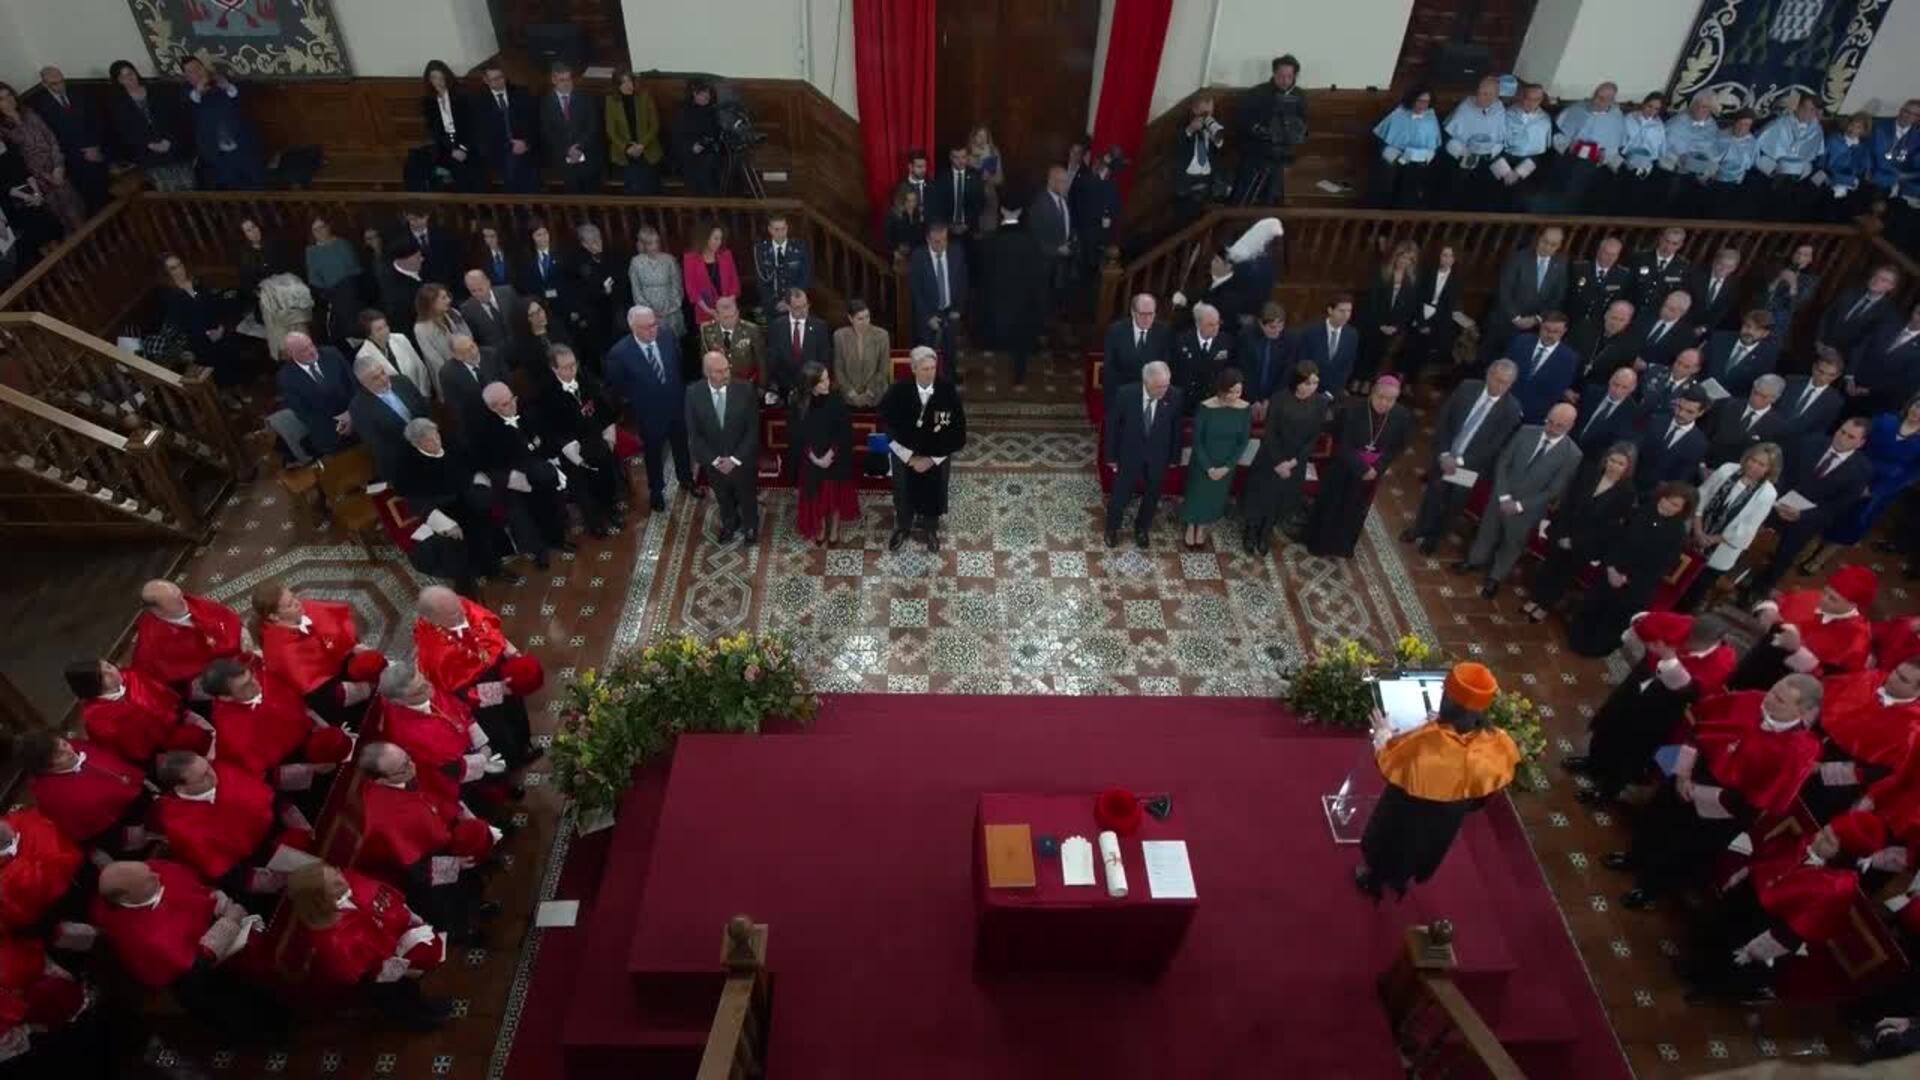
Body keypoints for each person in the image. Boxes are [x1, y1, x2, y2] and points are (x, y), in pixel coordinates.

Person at [1605, 673, 1824, 910]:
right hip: (1694, 772)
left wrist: (1698, 793)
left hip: (1728, 804)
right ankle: (1634, 857)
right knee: (1657, 817)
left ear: (1801, 712)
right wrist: (1684, 774)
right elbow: (1698, 729)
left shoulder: (1801, 750)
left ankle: (1650, 890)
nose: (1768, 700)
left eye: (1780, 700)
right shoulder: (1749, 700)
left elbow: (1758, 798)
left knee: (1685, 850)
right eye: (1772, 690)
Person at [1354, 662, 1518, 901]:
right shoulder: (1497, 744)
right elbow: (1481, 798)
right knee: (1418, 854)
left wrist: (1383, 735)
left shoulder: (1427, 744)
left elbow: (1390, 762)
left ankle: (1374, 882)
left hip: (1403, 814)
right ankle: (1400, 882)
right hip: (1443, 824)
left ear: (1446, 700)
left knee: (1387, 848)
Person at [90, 859, 286, 1036]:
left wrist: (215, 896)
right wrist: (229, 922)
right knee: (240, 1008)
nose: (157, 874)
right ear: (126, 898)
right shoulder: (144, 937)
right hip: (200, 976)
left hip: (216, 930)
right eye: (149, 879)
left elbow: (190, 881)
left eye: (150, 870)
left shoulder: (149, 873)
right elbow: (196, 965)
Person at [1565, 610, 1731, 800]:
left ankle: (1607, 790)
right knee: (1608, 723)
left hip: (1662, 705)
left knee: (1632, 749)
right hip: (1640, 681)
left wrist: (1669, 658)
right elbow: (1647, 620)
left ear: (1714, 641)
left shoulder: (1723, 661)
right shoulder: (1687, 623)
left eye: (1693, 641)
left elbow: (1690, 691)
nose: (1686, 643)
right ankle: (1592, 763)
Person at [351, 742, 498, 943]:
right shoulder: (382, 818)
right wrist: (453, 865)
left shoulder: (409, 767)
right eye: (403, 768)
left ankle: (477, 907)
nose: (412, 766)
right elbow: (413, 867)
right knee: (449, 904)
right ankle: (465, 932)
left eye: (407, 758)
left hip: (445, 842)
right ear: (382, 780)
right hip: (427, 867)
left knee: (468, 886)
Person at [284, 861, 453, 1030]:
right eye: (335, 884)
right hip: (377, 975)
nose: (342, 879)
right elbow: (361, 971)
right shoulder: (331, 939)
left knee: (410, 988)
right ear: (321, 900)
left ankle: (423, 1005)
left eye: (336, 872)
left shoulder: (349, 883)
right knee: (398, 998)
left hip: (392, 952)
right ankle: (418, 1021)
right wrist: (401, 968)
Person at [149, 750, 305, 905]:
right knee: (311, 878)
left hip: (275, 828)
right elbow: (227, 873)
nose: (213, 775)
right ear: (180, 788)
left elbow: (270, 796)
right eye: (203, 777)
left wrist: (298, 824)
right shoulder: (178, 824)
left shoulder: (220, 769)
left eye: (208, 767)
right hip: (253, 862)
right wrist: (285, 881)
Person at [1458, 403, 1582, 598]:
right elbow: (1504, 461)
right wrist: (1504, 495)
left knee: (1512, 543)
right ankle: (1474, 560)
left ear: (1570, 427)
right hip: (1501, 495)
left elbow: (1553, 490)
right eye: (1549, 421)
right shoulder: (1526, 431)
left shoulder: (1572, 454)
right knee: (1487, 530)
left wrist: (1518, 505)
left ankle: (1495, 577)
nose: (1551, 428)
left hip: (1527, 510)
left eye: (1559, 426)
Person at [1562, 481, 1698, 658]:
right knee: (1592, 604)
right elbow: (1616, 540)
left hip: (1637, 584)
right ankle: (1576, 638)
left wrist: (1626, 578)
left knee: (1613, 618)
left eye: (1674, 504)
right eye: (1666, 499)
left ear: (1683, 510)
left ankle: (1594, 649)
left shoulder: (1678, 534)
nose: (1666, 505)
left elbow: (1661, 567)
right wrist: (1611, 568)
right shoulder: (1641, 511)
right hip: (1612, 569)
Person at [1742, 421, 1872, 603]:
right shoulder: (1811, 441)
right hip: (1777, 504)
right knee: (1748, 537)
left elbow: (1838, 506)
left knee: (1782, 558)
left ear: (1860, 443)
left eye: (1851, 437)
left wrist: (1802, 515)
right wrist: (1779, 498)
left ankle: (1756, 591)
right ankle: (1734, 571)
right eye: (1842, 431)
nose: (1842, 438)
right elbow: (1783, 471)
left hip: (1806, 521)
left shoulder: (1862, 470)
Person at [1404, 359, 1523, 556]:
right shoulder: (1467, 387)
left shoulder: (1511, 409)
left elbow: (1494, 446)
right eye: (1497, 379)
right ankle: (1419, 529)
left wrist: (1458, 462)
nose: (1499, 386)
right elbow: (1445, 419)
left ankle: (1434, 539)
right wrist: (1443, 454)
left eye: (1505, 383)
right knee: (1433, 494)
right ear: (1488, 374)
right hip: (1444, 456)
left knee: (1453, 503)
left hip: (1468, 467)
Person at [413, 587, 541, 770]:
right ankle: (511, 763)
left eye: (459, 606)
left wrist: (509, 651)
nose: (462, 614)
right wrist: (498, 690)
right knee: (499, 730)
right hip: (480, 692)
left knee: (516, 710)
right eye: (453, 614)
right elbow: (458, 695)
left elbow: (489, 629)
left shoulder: (460, 606)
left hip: (499, 669)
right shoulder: (434, 654)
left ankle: (524, 744)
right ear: (432, 619)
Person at [388, 418, 511, 595]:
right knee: (455, 547)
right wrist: (445, 523)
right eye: (429, 440)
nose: (436, 441)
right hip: (444, 510)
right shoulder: (407, 464)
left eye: (436, 435)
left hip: (469, 498)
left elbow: (472, 465)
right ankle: (466, 587)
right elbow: (416, 502)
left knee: (486, 527)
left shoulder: (451, 443)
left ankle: (494, 569)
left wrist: (478, 482)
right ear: (416, 443)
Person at [1520, 442, 1637, 623]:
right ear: (1606, 460)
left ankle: (1544, 606)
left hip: (1585, 544)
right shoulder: (1589, 473)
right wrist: (1564, 534)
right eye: (1612, 460)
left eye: (1620, 464)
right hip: (1562, 531)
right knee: (1548, 567)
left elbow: (1608, 529)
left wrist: (1575, 542)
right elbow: (1568, 504)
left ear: (1628, 468)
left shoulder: (1627, 493)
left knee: (1564, 575)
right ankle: (1535, 598)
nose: (1614, 466)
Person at [374, 660, 506, 816]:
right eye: (419, 691)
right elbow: (450, 768)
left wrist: (482, 743)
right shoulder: (408, 733)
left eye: (423, 681)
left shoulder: (425, 688)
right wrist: (482, 760)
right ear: (399, 702)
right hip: (451, 774)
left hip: (467, 746)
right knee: (479, 798)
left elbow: (459, 708)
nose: (429, 689)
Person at [198, 658, 352, 788]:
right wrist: (312, 771)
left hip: (308, 733)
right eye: (245, 686)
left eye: (251, 677)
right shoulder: (234, 733)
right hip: (292, 764)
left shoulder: (260, 678)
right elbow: (266, 774)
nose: (256, 685)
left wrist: (325, 729)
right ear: (225, 698)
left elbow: (300, 707)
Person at [253, 580, 381, 730]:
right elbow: (323, 693)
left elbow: (336, 630)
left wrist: (353, 648)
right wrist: (370, 688)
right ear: (274, 617)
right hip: (331, 695)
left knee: (372, 663)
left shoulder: (304, 609)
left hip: (338, 665)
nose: (298, 603)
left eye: (294, 597)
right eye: (289, 604)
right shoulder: (285, 654)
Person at [1307, 377, 1412, 558]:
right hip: (1343, 468)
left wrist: (1376, 469)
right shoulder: (1352, 410)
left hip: (1370, 475)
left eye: (1390, 400)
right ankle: (1319, 545)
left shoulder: (1401, 416)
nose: (1384, 403)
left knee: (1353, 511)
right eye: (1381, 397)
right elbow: (1342, 443)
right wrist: (1363, 468)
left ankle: (1342, 547)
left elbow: (1396, 448)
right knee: (1332, 506)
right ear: (1372, 393)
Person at [1804, 658, 1920, 820]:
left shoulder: (1913, 726)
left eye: (1903, 680)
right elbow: (1825, 696)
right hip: (1811, 743)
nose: (1893, 678)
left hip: (1844, 778)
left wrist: (1823, 769)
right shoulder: (1868, 679)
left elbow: (1882, 773)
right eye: (1896, 671)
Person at [1733, 566, 1879, 694]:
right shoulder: (1815, 596)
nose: (1822, 599)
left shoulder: (1856, 640)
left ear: (1853, 604)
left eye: (1832, 599)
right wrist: (1768, 609)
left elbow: (1830, 684)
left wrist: (1797, 651)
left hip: (1786, 687)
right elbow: (1780, 601)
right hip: (1757, 658)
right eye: (1825, 592)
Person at [471, 382, 573, 563]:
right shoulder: (483, 430)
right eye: (505, 404)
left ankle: (557, 538)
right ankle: (538, 550)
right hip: (511, 477)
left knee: (551, 489)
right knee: (521, 511)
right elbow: (486, 464)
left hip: (537, 467)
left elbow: (542, 437)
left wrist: (550, 458)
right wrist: (512, 476)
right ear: (492, 408)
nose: (512, 406)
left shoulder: (524, 411)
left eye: (512, 400)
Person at [606, 305, 694, 513]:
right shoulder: (619, 354)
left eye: (654, 324)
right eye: (646, 327)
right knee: (654, 454)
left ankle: (687, 479)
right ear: (632, 327)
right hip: (649, 414)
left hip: (676, 404)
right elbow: (617, 386)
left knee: (682, 445)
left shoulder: (667, 336)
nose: (652, 330)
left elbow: (677, 363)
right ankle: (657, 491)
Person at [879, 347, 967, 552]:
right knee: (903, 492)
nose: (930, 373)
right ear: (913, 368)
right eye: (925, 369)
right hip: (905, 457)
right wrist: (908, 458)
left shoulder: (947, 390)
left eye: (933, 368)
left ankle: (930, 528)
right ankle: (903, 526)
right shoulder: (898, 390)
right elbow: (887, 425)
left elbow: (957, 430)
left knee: (933, 492)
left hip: (935, 458)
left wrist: (932, 459)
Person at [1678, 441, 1781, 611]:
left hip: (1718, 551)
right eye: (1753, 460)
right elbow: (1702, 494)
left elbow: (1748, 527)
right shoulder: (1727, 469)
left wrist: (1711, 539)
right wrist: (1697, 529)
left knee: (1692, 594)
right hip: (1691, 534)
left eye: (1761, 464)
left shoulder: (1768, 493)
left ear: (1769, 470)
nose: (1754, 466)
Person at [533, 344, 624, 535]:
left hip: (593, 437)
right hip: (568, 444)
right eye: (566, 367)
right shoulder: (545, 392)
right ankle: (594, 522)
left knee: (605, 473)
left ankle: (610, 509)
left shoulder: (584, 377)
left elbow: (601, 405)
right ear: (554, 368)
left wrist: (605, 430)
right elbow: (547, 427)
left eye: (573, 364)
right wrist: (568, 445)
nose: (572, 370)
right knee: (582, 486)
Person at [1241, 362, 1327, 555]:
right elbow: (1270, 432)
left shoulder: (1320, 402)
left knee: (1279, 498)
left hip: (1295, 461)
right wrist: (1280, 461)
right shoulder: (1279, 399)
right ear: (1298, 383)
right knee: (1260, 496)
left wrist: (1294, 461)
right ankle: (1252, 530)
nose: (1313, 387)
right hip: (1271, 457)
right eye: (1309, 383)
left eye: (1315, 383)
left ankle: (1266, 532)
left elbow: (1313, 437)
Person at [1819, 394, 1920, 557]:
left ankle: (1821, 558)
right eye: (1916, 406)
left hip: (1880, 489)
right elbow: (1860, 443)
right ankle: (1812, 545)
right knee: (1831, 511)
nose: (1917, 411)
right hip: (1855, 472)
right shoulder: (1885, 420)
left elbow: (1909, 476)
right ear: (1910, 405)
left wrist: (1875, 490)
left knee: (1851, 524)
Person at [16, 731, 148, 852]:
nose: (68, 750)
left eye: (64, 743)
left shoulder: (79, 747)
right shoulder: (53, 795)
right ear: (45, 769)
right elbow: (90, 828)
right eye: (59, 754)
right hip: (114, 827)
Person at [66, 655, 208, 765]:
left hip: (179, 724)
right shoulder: (96, 719)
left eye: (108, 666)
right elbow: (129, 749)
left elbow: (165, 695)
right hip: (161, 754)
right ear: (92, 686)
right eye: (104, 675)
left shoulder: (132, 676)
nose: (112, 671)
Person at [1102, 360, 1183, 550]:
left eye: (1166, 385)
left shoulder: (1175, 395)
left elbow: (1175, 429)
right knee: (1119, 496)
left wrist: (1174, 458)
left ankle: (1141, 529)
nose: (1164, 391)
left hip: (1157, 457)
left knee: (1152, 496)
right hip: (1129, 455)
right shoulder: (1126, 394)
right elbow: (1113, 427)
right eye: (1159, 387)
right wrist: (1111, 456)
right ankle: (1112, 529)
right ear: (1146, 382)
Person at [685, 350, 761, 545]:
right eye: (720, 371)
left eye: (727, 369)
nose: (726, 374)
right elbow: (695, 435)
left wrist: (735, 459)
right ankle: (730, 523)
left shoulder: (745, 390)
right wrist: (716, 460)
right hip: (714, 462)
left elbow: (753, 430)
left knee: (747, 494)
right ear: (707, 373)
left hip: (742, 460)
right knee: (722, 496)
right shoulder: (693, 394)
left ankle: (751, 525)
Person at [128, 580, 250, 696]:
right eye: (176, 601)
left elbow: (227, 618)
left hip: (235, 656)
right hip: (206, 679)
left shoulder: (192, 602)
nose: (184, 601)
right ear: (157, 610)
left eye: (180, 595)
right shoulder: (152, 641)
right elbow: (151, 678)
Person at [1180, 367, 1253, 549]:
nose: (1235, 396)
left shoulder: (1245, 409)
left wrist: (1227, 466)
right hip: (1203, 462)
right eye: (1231, 392)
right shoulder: (1206, 407)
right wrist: (1209, 468)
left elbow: (1243, 441)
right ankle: (1191, 525)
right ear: (1222, 389)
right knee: (1197, 495)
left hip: (1226, 464)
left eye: (1238, 391)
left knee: (1214, 497)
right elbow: (1197, 440)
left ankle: (1202, 526)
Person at [158, 252, 256, 386]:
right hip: (198, 338)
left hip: (216, 327)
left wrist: (220, 327)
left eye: (179, 265)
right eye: (173, 268)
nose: (179, 269)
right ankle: (226, 394)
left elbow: (214, 306)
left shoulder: (196, 282)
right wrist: (207, 335)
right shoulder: (170, 296)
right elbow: (181, 324)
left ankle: (240, 387)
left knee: (232, 345)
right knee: (213, 354)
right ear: (167, 272)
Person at [980, 205, 1048, 387]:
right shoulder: (1032, 242)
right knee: (1021, 341)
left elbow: (985, 275)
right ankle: (1019, 374)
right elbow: (1039, 275)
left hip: (1000, 299)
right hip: (1024, 300)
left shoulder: (993, 241)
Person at [792, 362, 856, 546]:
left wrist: (830, 454)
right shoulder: (798, 402)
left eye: (827, 378)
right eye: (821, 381)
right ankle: (819, 527)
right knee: (817, 495)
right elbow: (797, 434)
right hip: (811, 457)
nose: (827, 383)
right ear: (810, 384)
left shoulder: (836, 398)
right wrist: (813, 457)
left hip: (835, 455)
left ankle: (834, 527)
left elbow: (844, 431)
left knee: (834, 495)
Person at [0, 83, 76, 236]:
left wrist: (58, 167)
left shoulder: (28, 112)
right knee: (60, 225)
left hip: (57, 170)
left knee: (75, 212)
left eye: (9, 95)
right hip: (36, 182)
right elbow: (16, 162)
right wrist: (43, 178)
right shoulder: (2, 130)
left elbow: (51, 138)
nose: (8, 101)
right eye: (2, 99)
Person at [106, 60, 193, 191]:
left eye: (130, 73)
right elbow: (126, 132)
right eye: (123, 77)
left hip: (173, 148)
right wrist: (149, 144)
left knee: (189, 188)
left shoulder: (158, 91)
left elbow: (175, 119)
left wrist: (168, 140)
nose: (129, 78)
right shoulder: (118, 104)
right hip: (149, 156)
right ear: (118, 81)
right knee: (167, 193)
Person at [1483, 227, 1567, 362]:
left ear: (1559, 246)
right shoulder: (1518, 258)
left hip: (1533, 328)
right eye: (1545, 242)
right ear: (1539, 239)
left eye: (1553, 245)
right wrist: (1516, 318)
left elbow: (1557, 298)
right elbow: (1504, 291)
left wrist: (1537, 319)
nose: (1547, 247)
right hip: (1505, 323)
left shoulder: (1561, 264)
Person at [180, 58, 263, 191]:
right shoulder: (186, 92)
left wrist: (228, 87)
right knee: (229, 186)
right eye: (191, 71)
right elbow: (191, 102)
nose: (197, 72)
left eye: (198, 68)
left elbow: (239, 98)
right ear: (187, 77)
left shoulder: (220, 80)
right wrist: (199, 91)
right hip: (216, 153)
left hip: (241, 145)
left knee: (256, 182)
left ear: (204, 67)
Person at [1235, 54, 1307, 205]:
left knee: (1273, 199)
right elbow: (1243, 121)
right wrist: (1259, 130)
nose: (1285, 81)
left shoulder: (1300, 96)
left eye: (1289, 76)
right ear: (1274, 73)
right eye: (1281, 76)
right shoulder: (1257, 93)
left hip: (1283, 157)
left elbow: (1304, 122)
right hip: (1257, 155)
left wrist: (1298, 132)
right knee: (1245, 198)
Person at [347, 355, 432, 482]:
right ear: (364, 384)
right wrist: (416, 445)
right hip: (401, 463)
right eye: (376, 378)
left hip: (428, 445)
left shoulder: (402, 381)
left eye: (382, 373)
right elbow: (379, 444)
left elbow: (424, 410)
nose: (383, 379)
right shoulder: (358, 408)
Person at [0, 807, 83, 934]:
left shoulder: (10, 881)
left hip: (60, 904)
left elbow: (17, 917)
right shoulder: (26, 817)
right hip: (74, 876)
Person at [276, 330, 357, 459]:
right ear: (291, 354)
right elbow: (305, 413)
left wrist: (351, 415)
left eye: (311, 345)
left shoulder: (332, 354)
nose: (312, 351)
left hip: (355, 415)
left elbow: (354, 386)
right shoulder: (286, 378)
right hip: (327, 429)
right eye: (303, 350)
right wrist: (339, 424)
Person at [1355, 242, 1420, 394]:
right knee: (1366, 351)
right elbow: (1372, 301)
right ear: (1396, 257)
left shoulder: (1412, 280)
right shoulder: (1382, 273)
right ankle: (1357, 380)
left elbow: (1409, 308)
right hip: (1374, 323)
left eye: (1409, 259)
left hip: (1394, 327)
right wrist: (1380, 324)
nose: (1405, 262)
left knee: (1380, 354)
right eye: (1402, 257)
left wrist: (1395, 326)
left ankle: (1369, 382)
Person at [1547, 82, 1624, 211]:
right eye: (1596, 95)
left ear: (1611, 101)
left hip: (1593, 162)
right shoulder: (1578, 107)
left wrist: (1604, 155)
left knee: (1581, 185)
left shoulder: (1616, 117)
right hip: (1568, 154)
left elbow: (1614, 145)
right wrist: (1567, 145)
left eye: (1602, 99)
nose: (1596, 101)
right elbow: (1559, 132)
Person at [1754, 94, 1825, 220]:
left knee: (1816, 189)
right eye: (1804, 108)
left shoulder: (1816, 130)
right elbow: (1757, 148)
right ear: (1797, 107)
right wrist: (1772, 169)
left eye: (1812, 110)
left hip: (1802, 173)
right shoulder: (1779, 123)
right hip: (1776, 171)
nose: (1807, 113)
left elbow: (1817, 155)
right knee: (1779, 194)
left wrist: (1808, 168)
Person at [1502, 310, 1577, 424]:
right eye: (1546, 329)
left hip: (1532, 417)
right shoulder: (1521, 341)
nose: (1550, 335)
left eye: (1556, 331)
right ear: (1540, 326)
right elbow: (1503, 371)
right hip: (1503, 405)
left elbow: (1554, 394)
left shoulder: (1568, 358)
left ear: (1564, 331)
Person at [1370, 87, 1441, 208]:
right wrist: (1398, 156)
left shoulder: (1430, 118)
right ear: (1412, 100)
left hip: (1418, 162)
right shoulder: (1399, 114)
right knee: (1388, 183)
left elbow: (1432, 145)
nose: (1423, 105)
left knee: (1413, 188)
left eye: (1426, 102)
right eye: (1419, 101)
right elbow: (1383, 142)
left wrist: (1423, 156)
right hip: (1396, 160)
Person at [909, 224, 969, 367]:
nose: (942, 245)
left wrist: (958, 309)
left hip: (950, 311)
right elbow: (916, 291)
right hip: (929, 313)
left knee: (950, 352)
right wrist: (928, 317)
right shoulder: (918, 256)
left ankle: (949, 381)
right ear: (928, 240)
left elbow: (963, 282)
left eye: (944, 240)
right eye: (937, 241)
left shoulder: (956, 251)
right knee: (926, 355)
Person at [1632, 387, 1711, 494]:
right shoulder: (1655, 421)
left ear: (1701, 413)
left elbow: (1683, 477)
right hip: (1631, 482)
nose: (1681, 414)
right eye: (1679, 407)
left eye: (1689, 412)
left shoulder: (1699, 443)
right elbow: (1635, 450)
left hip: (1660, 495)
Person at [1442, 76, 1505, 209]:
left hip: (1487, 157)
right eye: (1481, 93)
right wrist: (1464, 153)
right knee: (1458, 185)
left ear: (1496, 96)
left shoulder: (1499, 109)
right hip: (1463, 155)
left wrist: (1490, 153)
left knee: (1490, 186)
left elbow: (1501, 138)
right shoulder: (1465, 107)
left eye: (1489, 94)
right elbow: (1449, 136)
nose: (1483, 97)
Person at [1847, 304, 1920, 418]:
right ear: (1914, 310)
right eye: (1919, 313)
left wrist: (1870, 390)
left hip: (1876, 401)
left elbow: (1906, 382)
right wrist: (1849, 375)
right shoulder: (1890, 322)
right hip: (1849, 383)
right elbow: (1861, 347)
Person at [1104, 293, 1172, 416]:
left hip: (1152, 393)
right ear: (1133, 312)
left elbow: (1165, 367)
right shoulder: (1116, 331)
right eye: (1142, 314)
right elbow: (1110, 370)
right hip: (1123, 392)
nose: (1147, 319)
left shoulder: (1163, 332)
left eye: (1150, 314)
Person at [1404, 244, 1462, 385]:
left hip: (1437, 322)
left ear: (1454, 259)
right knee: (1409, 348)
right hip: (1419, 316)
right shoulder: (1427, 274)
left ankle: (1413, 382)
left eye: (1450, 256)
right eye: (1444, 255)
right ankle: (1402, 378)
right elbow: (1417, 298)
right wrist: (1422, 321)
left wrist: (1431, 325)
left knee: (1425, 352)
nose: (1447, 259)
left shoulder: (1457, 280)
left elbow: (1448, 308)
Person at [419, 60, 480, 192]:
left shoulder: (462, 96)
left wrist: (463, 148)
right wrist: (452, 149)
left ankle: (479, 206)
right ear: (429, 80)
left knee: (471, 170)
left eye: (441, 77)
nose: (438, 81)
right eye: (434, 78)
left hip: (467, 143)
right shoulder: (428, 102)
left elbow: (472, 126)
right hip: (445, 146)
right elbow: (435, 130)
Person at [476, 62, 538, 193]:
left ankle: (532, 207)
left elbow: (533, 122)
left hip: (526, 147)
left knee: (529, 174)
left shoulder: (521, 93)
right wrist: (508, 146)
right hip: (500, 152)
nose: (499, 82)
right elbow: (483, 133)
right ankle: (519, 209)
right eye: (494, 79)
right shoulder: (479, 102)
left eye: (501, 77)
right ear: (485, 80)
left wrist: (525, 142)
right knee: (511, 170)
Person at [438, 334, 511, 442]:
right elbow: (457, 407)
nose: (473, 353)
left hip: (504, 412)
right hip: (478, 424)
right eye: (465, 351)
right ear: (457, 356)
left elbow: (507, 381)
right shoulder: (448, 374)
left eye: (472, 347)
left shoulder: (491, 354)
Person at [1703, 375, 1788, 468]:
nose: (1756, 398)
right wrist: (1702, 464)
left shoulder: (1777, 426)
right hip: (1707, 463)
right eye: (1755, 392)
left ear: (1774, 398)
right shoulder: (1726, 405)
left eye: (1763, 396)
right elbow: (1705, 435)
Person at [570, 223, 624, 368]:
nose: (598, 243)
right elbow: (583, 293)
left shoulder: (611, 256)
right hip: (595, 318)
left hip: (614, 313)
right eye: (593, 241)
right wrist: (602, 292)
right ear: (584, 244)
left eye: (599, 238)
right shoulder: (580, 264)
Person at [1817, 264, 1900, 358]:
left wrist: (1838, 354)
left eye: (1883, 280)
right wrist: (1819, 341)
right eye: (1876, 275)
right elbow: (1827, 315)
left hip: (1842, 359)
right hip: (1817, 347)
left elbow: (1868, 342)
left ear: (1891, 287)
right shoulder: (1849, 292)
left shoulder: (1887, 314)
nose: (1876, 280)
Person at [1492, 83, 1552, 210]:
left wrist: (1518, 173)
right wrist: (1506, 171)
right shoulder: (1507, 114)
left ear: (1541, 100)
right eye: (1528, 98)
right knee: (1497, 189)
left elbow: (1539, 153)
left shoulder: (1545, 120)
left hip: (1529, 160)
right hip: (1505, 155)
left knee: (1521, 192)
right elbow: (1496, 141)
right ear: (1521, 97)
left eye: (1536, 100)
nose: (1530, 103)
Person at [765, 287, 831, 399]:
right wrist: (787, 387)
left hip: (812, 389)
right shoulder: (776, 327)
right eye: (798, 308)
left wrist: (812, 385)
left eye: (806, 305)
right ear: (788, 307)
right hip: (784, 390)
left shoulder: (820, 327)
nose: (804, 310)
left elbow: (824, 360)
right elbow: (773, 361)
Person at [605, 69, 663, 195]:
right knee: (633, 189)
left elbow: (654, 125)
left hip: (647, 149)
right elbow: (611, 131)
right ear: (617, 85)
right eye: (623, 82)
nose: (627, 85)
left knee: (651, 188)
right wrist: (626, 148)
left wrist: (641, 145)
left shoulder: (645, 97)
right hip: (626, 153)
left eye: (629, 81)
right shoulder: (611, 101)